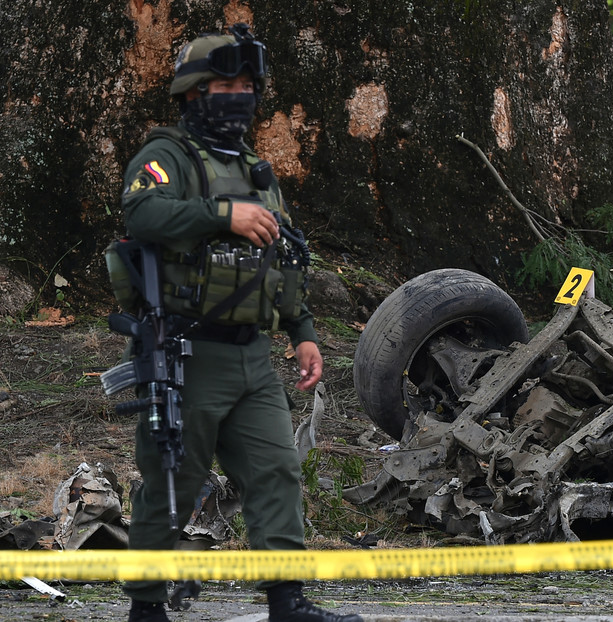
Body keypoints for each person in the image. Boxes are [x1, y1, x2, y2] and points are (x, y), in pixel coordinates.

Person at [116, 24, 361, 622]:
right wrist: (222, 214)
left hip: (253, 355)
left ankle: (288, 602)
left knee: (276, 471)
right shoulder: (165, 157)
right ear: (196, 92)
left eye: (248, 85)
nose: (240, 95)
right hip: (188, 353)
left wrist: (301, 330)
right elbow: (140, 210)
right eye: (226, 83)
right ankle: (147, 610)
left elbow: (282, 259)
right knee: (174, 483)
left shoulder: (256, 170)